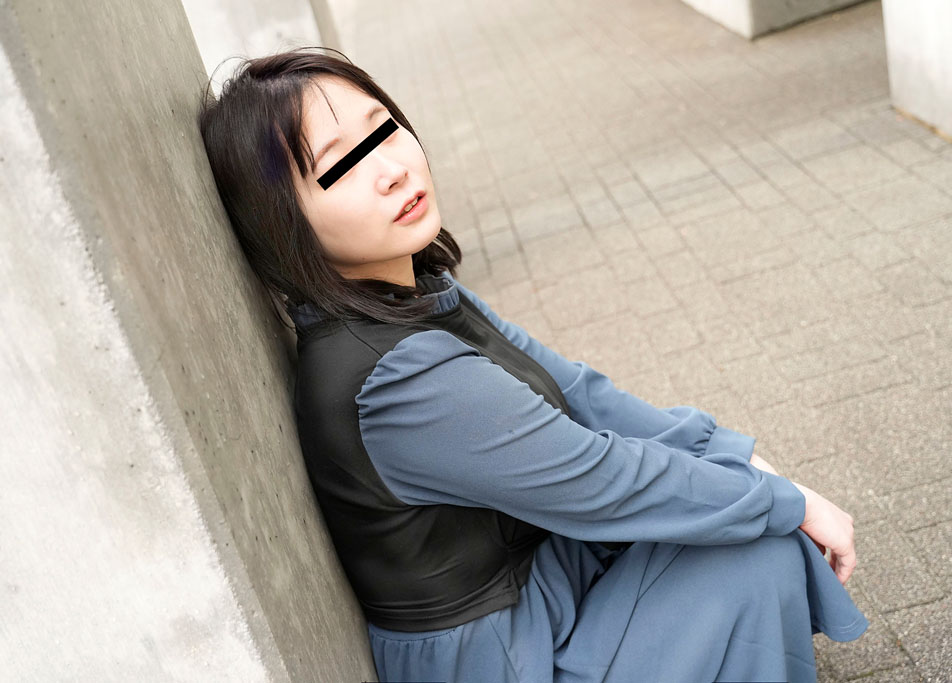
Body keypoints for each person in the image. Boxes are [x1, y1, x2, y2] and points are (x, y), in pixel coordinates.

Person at [198, 46, 868, 683]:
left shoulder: (412, 292)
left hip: (541, 590)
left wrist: (740, 460)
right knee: (757, 543)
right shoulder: (394, 380)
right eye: (340, 167)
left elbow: (581, 394)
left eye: (384, 130)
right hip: (510, 656)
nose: (391, 168)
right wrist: (782, 501)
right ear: (284, 223)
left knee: (736, 512)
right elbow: (603, 479)